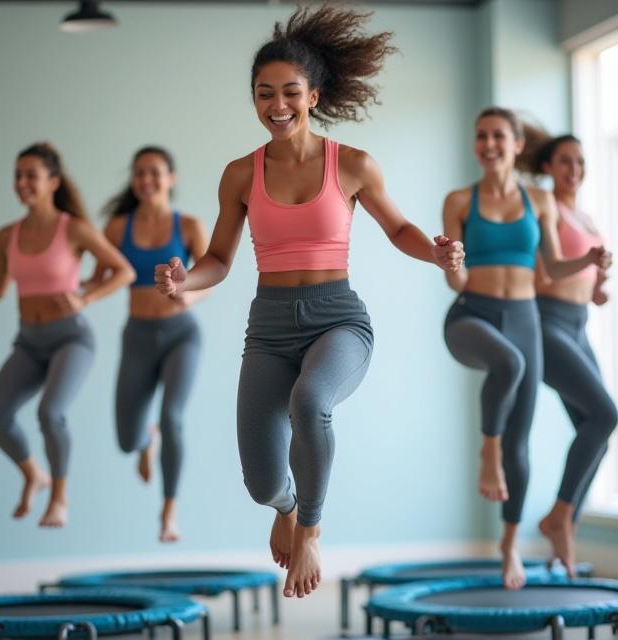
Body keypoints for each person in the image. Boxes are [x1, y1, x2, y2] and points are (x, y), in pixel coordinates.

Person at [156, 5, 463, 598]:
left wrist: (438, 254)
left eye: (290, 92)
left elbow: (399, 229)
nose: (277, 105)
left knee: (310, 400)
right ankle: (290, 506)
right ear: (253, 98)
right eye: (264, 93)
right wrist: (183, 282)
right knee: (261, 481)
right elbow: (218, 259)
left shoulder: (350, 164)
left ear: (313, 94)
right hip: (268, 326)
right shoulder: (239, 175)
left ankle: (313, 530)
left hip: (337, 320)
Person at [442, 108, 611, 589]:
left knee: (525, 439)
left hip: (525, 319)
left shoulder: (539, 200)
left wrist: (590, 261)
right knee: (509, 364)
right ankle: (486, 450)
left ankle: (510, 546)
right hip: (474, 313)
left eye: (499, 135)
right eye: (482, 135)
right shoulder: (458, 200)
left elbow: (554, 267)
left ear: (517, 145)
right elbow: (457, 277)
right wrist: (451, 263)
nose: (489, 143)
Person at [0, 142, 135, 527]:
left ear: (52, 182)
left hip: (71, 338)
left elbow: (124, 271)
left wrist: (87, 299)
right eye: (18, 176)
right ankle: (35, 474)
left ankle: (60, 498)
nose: (21, 183)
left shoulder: (74, 229)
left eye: (31, 175)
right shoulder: (7, 236)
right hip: (29, 342)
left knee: (50, 412)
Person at [93, 146, 209, 542]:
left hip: (182, 334)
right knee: (126, 440)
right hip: (138, 335)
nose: (146, 180)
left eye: (155, 172)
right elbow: (100, 278)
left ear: (171, 178)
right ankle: (147, 440)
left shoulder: (189, 226)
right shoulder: (116, 228)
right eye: (139, 173)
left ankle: (169, 510)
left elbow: (208, 276)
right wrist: (76, 294)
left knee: (173, 416)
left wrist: (187, 296)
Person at [527, 132, 616, 575]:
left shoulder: (586, 216)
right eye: (565, 161)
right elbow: (544, 276)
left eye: (580, 162)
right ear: (548, 166)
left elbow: (593, 295)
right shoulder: (546, 205)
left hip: (578, 325)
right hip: (547, 323)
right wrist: (587, 264)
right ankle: (560, 516)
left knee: (595, 433)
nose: (574, 170)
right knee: (606, 414)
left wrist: (599, 283)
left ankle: (564, 534)